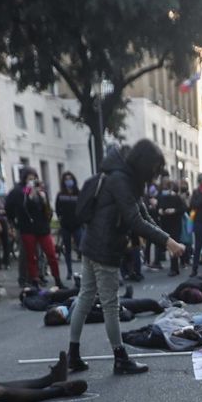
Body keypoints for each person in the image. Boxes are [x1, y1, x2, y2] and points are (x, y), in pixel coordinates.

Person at [68, 139, 187, 376]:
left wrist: (166, 239)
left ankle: (73, 354)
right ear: (144, 164)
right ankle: (120, 358)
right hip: (104, 249)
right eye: (154, 169)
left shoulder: (122, 175)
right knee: (110, 305)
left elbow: (141, 214)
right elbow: (135, 220)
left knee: (85, 297)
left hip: (92, 245)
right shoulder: (121, 180)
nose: (154, 175)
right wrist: (168, 242)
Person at [4, 168, 61, 289]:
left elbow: (46, 210)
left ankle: (56, 279)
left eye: (34, 178)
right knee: (30, 255)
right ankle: (32, 280)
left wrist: (42, 197)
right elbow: (11, 206)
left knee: (50, 254)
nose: (32, 181)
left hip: (42, 228)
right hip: (27, 228)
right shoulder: (19, 191)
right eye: (29, 178)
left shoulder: (40, 191)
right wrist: (13, 221)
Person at [53, 169, 83, 281]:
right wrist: (61, 219)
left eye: (70, 179)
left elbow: (82, 207)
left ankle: (85, 270)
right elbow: (57, 208)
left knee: (82, 248)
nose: (68, 181)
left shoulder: (78, 193)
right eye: (66, 179)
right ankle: (69, 272)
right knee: (67, 249)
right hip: (65, 226)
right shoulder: (60, 194)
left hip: (77, 225)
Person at [155, 179, 187, 276]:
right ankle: (175, 266)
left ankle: (174, 267)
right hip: (169, 224)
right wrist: (161, 211)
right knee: (171, 245)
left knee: (172, 245)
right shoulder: (166, 197)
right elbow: (158, 209)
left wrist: (173, 211)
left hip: (172, 224)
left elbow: (182, 209)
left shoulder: (173, 198)